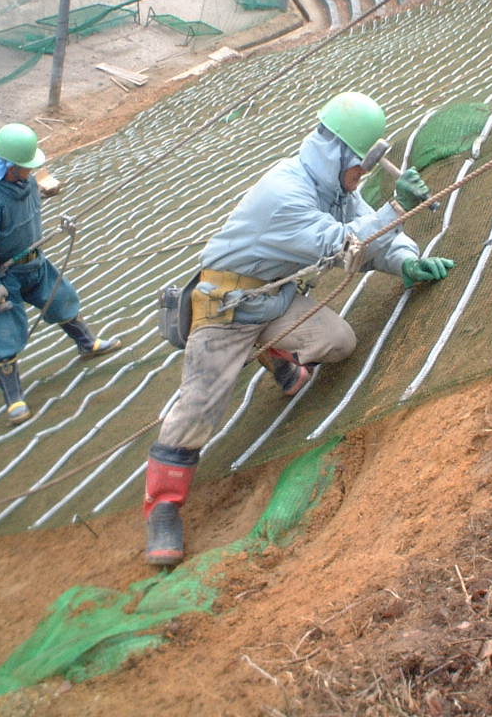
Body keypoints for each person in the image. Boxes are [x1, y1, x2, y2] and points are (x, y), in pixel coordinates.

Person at [143, 92, 456, 566]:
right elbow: (345, 246)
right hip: (228, 308)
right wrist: (396, 208)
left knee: (336, 341)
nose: (364, 176)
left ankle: (274, 352)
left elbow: (371, 243)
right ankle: (163, 506)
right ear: (339, 155)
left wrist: (407, 260)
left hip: (274, 300)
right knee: (200, 405)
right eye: (360, 165)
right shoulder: (284, 194)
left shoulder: (336, 191)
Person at [0, 123, 122, 425]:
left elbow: (26, 209)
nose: (30, 171)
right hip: (4, 277)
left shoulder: (27, 183)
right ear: (8, 167)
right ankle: (14, 399)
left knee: (63, 300)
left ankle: (87, 344)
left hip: (36, 264)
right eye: (25, 166)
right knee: (2, 337)